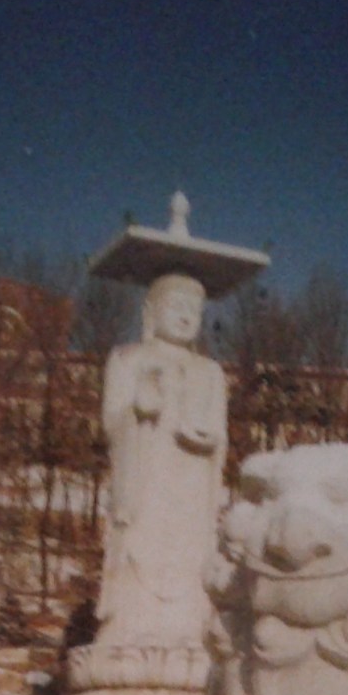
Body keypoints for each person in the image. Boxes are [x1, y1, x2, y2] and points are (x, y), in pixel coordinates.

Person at [95, 272, 227, 648]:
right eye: (176, 305)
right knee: (141, 540)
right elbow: (111, 425)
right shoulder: (127, 359)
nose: (186, 315)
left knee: (191, 552)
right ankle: (128, 628)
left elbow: (220, 436)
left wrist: (205, 438)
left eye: (194, 308)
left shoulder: (211, 373)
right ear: (150, 311)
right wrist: (138, 411)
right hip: (146, 475)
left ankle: (190, 629)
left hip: (191, 482)